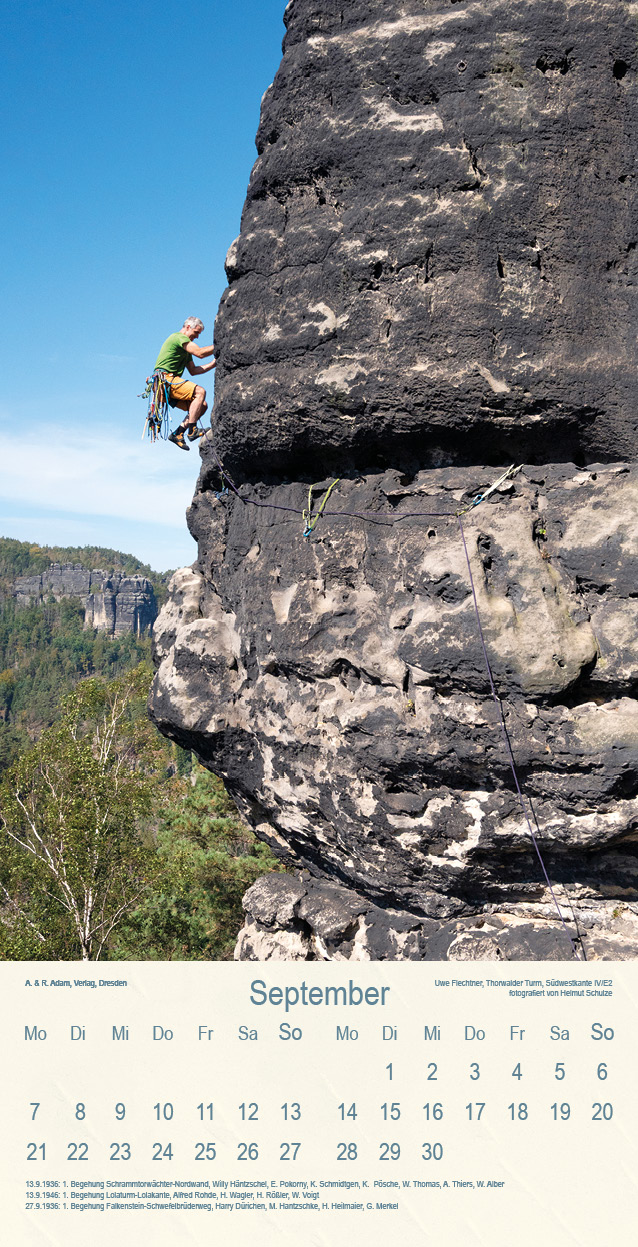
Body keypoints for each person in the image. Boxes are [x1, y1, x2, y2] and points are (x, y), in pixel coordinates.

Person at [153, 317, 217, 450]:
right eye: (196, 332)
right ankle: (192, 430)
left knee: (202, 406)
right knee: (200, 392)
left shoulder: (185, 349)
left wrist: (213, 364)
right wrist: (220, 345)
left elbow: (193, 370)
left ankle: (178, 433)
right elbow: (200, 353)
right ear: (188, 327)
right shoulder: (179, 338)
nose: (197, 336)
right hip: (165, 379)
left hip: (167, 384)